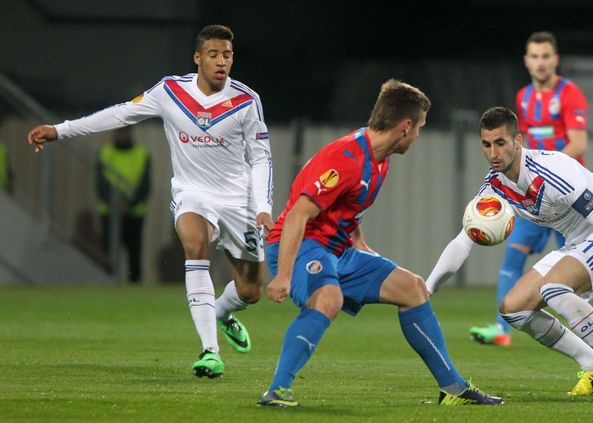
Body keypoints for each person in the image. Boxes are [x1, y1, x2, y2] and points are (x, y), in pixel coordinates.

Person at [27, 24, 274, 378]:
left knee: (251, 291)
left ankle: (220, 311)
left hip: (238, 202)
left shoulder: (246, 101)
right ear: (198, 58)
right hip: (192, 193)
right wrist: (60, 130)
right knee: (194, 247)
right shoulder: (170, 91)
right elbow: (119, 113)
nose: (222, 62)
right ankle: (210, 351)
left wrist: (263, 207)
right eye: (214, 54)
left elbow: (262, 158)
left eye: (228, 55)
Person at [258, 80, 502, 408]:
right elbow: (298, 215)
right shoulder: (344, 158)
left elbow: (349, 213)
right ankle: (277, 390)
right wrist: (284, 274)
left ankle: (453, 387)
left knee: (413, 288)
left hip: (338, 251)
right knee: (328, 299)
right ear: (405, 126)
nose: (418, 135)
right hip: (301, 245)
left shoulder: (380, 160)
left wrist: (365, 251)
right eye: (419, 128)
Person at [427, 106, 593, 400]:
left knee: (553, 288)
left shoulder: (552, 171)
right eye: (486, 144)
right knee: (513, 307)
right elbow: (462, 241)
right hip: (577, 243)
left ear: (518, 141)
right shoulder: (494, 186)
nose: (493, 152)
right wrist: (428, 288)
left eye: (500, 142)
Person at [469, 32, 593, 348]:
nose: (540, 63)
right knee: (512, 259)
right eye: (534, 57)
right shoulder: (524, 97)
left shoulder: (569, 94)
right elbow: (519, 145)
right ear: (526, 61)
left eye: (545, 56)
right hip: (530, 198)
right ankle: (502, 329)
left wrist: (547, 180)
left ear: (555, 59)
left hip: (563, 200)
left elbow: (579, 143)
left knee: (586, 265)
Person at [96, 126, 151, 284]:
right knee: (108, 253)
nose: (123, 134)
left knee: (134, 253)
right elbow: (100, 184)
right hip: (109, 212)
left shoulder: (142, 153)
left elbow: (145, 185)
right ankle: (108, 284)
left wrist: (129, 205)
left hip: (135, 213)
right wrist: (115, 204)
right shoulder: (104, 153)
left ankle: (135, 288)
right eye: (120, 131)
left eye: (126, 131)